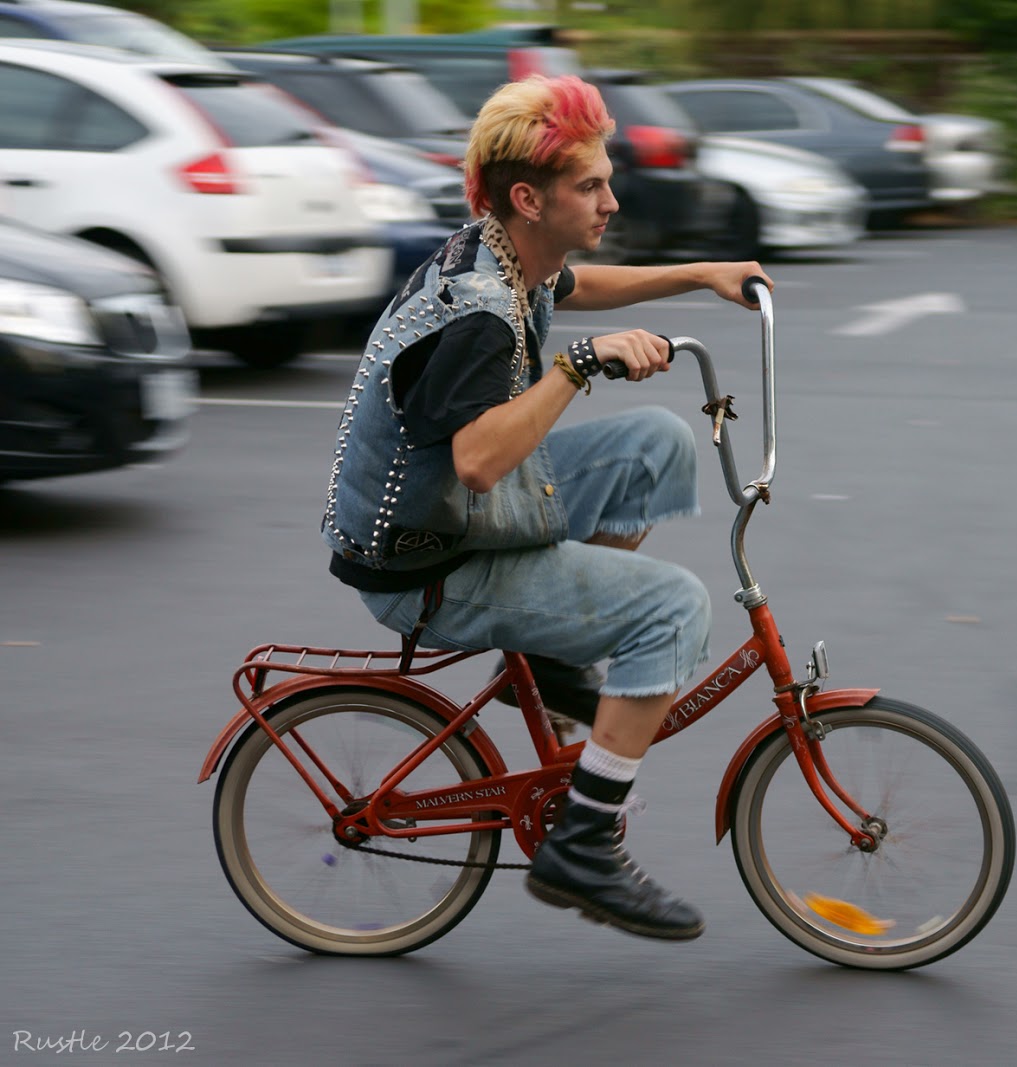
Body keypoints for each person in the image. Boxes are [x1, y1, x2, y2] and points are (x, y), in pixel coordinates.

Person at [319, 74, 772, 942]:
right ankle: (586, 844)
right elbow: (482, 462)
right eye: (590, 186)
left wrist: (700, 273)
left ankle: (555, 653)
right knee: (675, 607)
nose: (610, 198)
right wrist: (578, 367)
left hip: (440, 511)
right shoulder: (481, 314)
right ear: (529, 197)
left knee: (658, 443)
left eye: (607, 180)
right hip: (425, 559)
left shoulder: (506, 248)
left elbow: (578, 287)